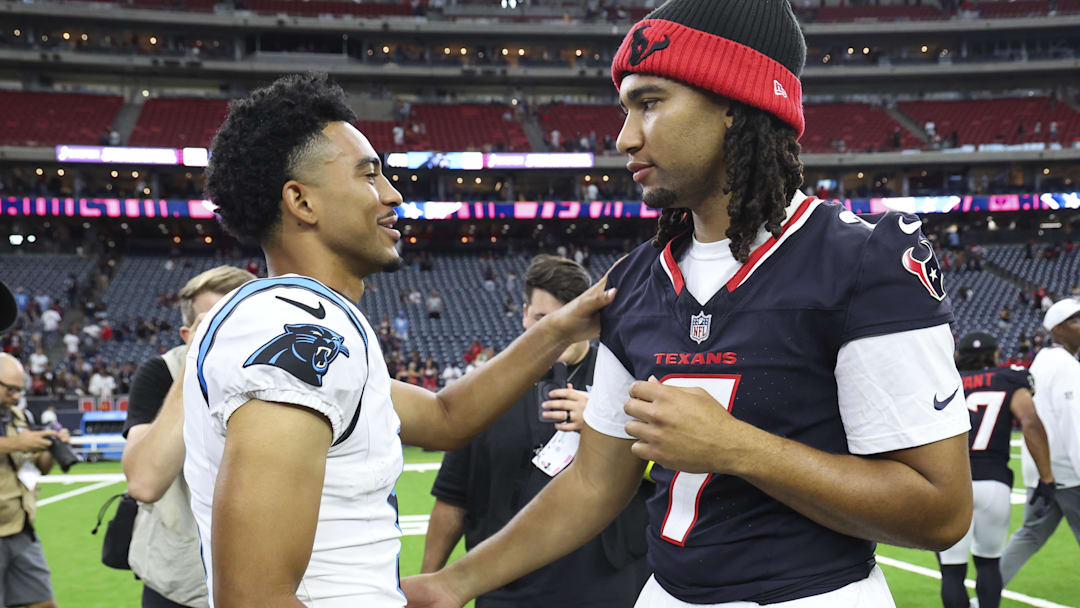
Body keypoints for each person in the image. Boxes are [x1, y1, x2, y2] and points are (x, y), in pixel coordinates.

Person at [403, 2, 973, 606]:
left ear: (736, 103)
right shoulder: (638, 279)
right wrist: (451, 583)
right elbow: (595, 484)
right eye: (625, 109)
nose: (624, 137)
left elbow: (939, 512)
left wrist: (738, 448)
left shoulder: (864, 261)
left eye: (650, 102)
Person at [186, 72, 613, 607]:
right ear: (301, 201)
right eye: (369, 176)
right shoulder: (294, 329)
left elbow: (443, 419)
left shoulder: (312, 320)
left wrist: (559, 327)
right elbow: (253, 598)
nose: (392, 193)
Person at [421, 255, 651, 608]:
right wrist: (430, 577)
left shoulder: (627, 384)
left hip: (610, 584)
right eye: (545, 319)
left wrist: (610, 421)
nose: (559, 332)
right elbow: (453, 498)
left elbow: (677, 471)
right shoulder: (483, 392)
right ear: (525, 315)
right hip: (506, 587)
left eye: (569, 318)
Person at [121, 265, 255, 608]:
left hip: (264, 575)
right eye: (214, 322)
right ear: (187, 334)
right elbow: (144, 483)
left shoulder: (280, 374)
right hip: (179, 580)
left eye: (242, 318)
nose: (231, 332)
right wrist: (195, 368)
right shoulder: (161, 373)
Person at [937, 332, 1054, 608]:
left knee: (952, 573)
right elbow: (1030, 421)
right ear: (996, 354)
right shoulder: (1010, 379)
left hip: (951, 485)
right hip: (994, 483)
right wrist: (1046, 478)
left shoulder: (945, 382)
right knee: (989, 566)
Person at [0, 278, 71, 608]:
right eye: (9, 389)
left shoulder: (14, 414)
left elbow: (35, 468)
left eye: (18, 390)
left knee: (44, 603)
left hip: (21, 528)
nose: (15, 396)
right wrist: (16, 443)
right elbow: (15, 447)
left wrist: (48, 448)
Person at [1000, 298, 1080, 584]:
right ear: (1058, 329)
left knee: (1029, 536)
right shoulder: (1067, 366)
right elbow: (1074, 424)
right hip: (1070, 473)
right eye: (1075, 321)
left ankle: (985, 597)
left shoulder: (1042, 360)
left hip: (1042, 472)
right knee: (1029, 535)